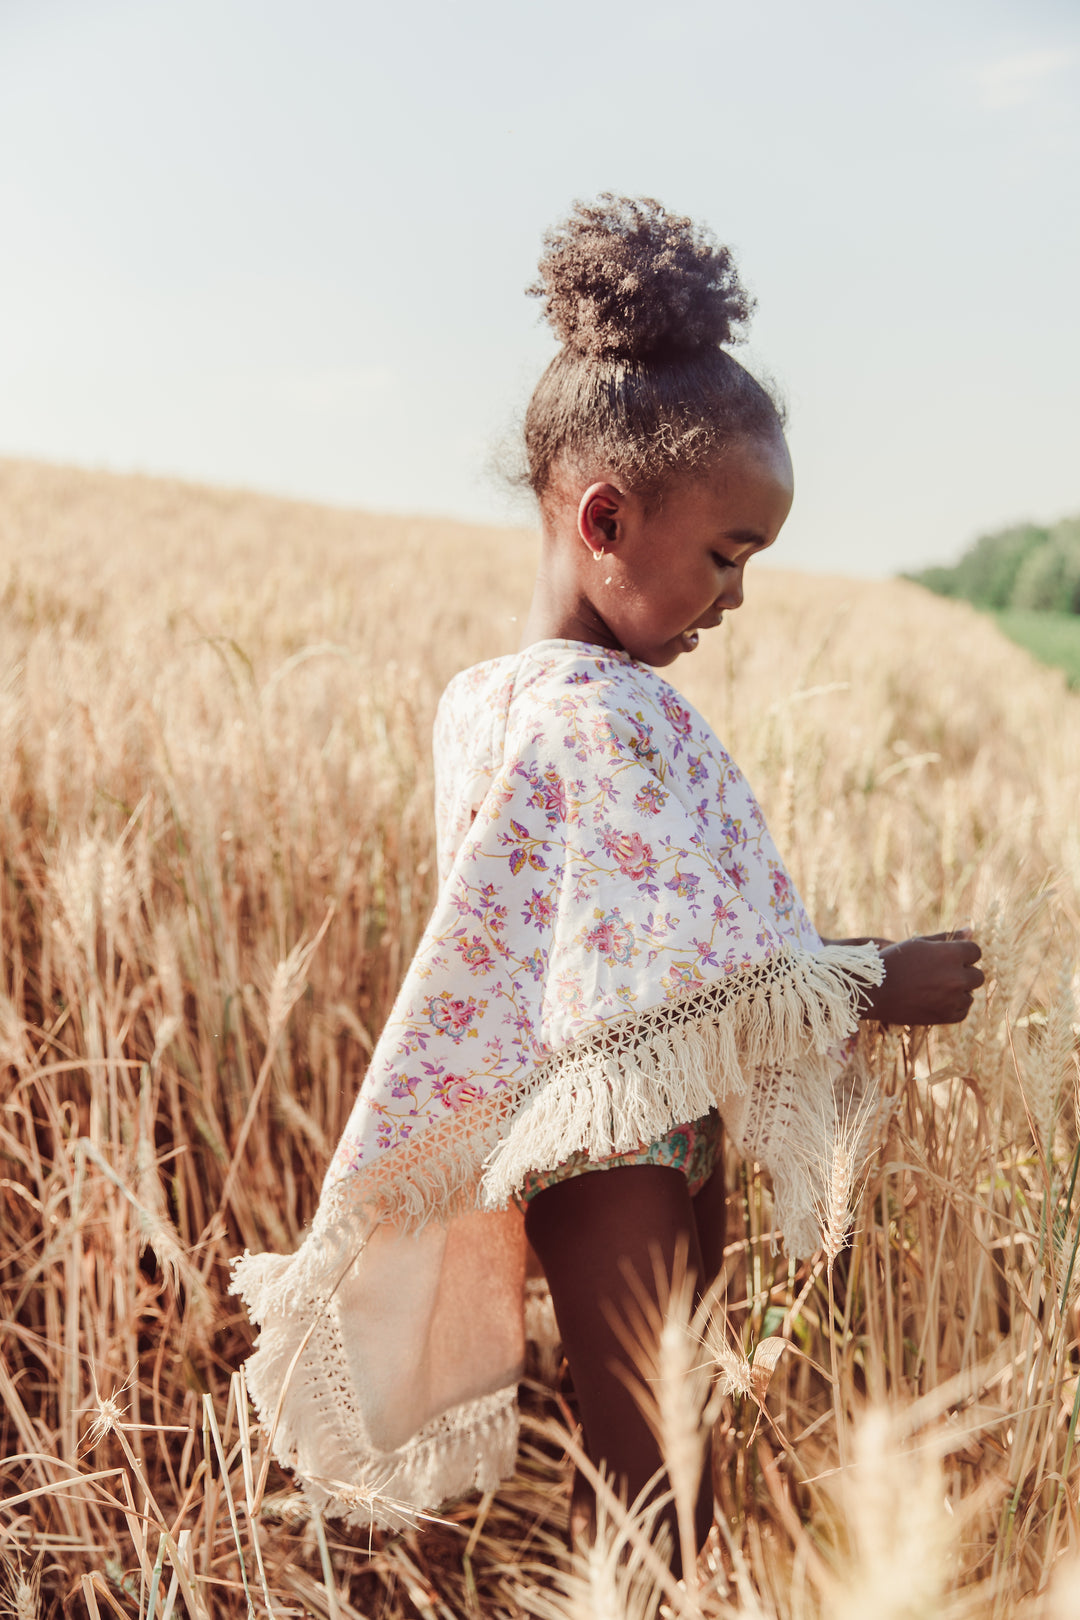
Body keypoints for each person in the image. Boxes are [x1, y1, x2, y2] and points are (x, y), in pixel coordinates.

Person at [232, 195, 984, 1570]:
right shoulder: (598, 717)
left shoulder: (491, 699)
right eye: (726, 556)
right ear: (604, 517)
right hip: (616, 1142)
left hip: (604, 1120)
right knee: (662, 1475)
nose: (735, 600)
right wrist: (885, 976)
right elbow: (686, 968)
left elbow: (635, 947)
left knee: (638, 1452)